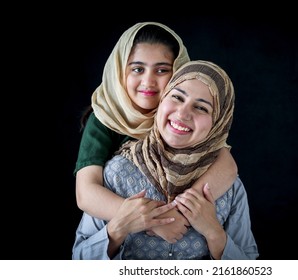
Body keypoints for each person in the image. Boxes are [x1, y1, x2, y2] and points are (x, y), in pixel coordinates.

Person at [72, 60, 259, 260]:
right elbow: (79, 261)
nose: (183, 113)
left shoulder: (229, 188)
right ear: (161, 101)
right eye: (177, 97)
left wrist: (214, 233)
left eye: (202, 108)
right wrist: (118, 228)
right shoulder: (116, 174)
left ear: (219, 124)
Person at [74, 22, 238, 242]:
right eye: (137, 69)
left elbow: (226, 164)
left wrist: (183, 212)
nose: (148, 81)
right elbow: (86, 194)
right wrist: (151, 219)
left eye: (162, 70)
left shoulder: (179, 116)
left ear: (180, 71)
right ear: (120, 69)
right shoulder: (105, 119)